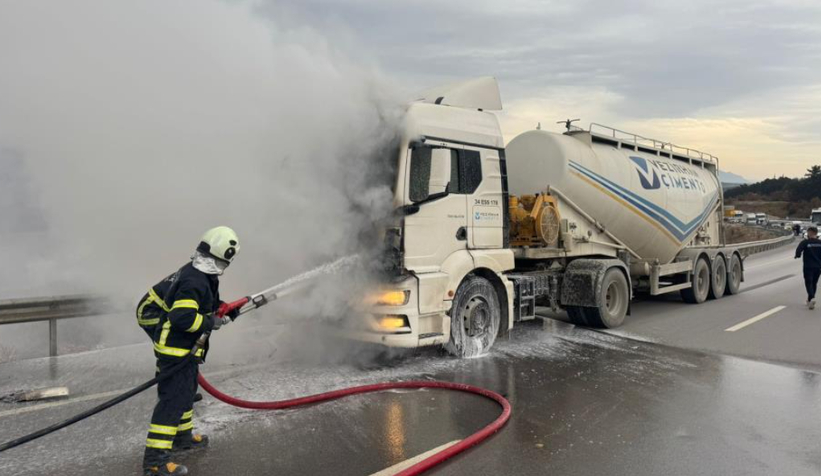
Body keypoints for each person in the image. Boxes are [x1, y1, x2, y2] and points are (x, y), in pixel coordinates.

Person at [142, 226, 241, 476]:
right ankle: (155, 462)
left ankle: (182, 438)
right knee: (173, 402)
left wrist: (224, 309)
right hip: (176, 352)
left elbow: (203, 303)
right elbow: (182, 318)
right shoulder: (194, 279)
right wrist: (211, 322)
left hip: (183, 351)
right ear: (224, 255)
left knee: (186, 394)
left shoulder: (202, 274)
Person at [795, 226, 821, 310]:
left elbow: (798, 250)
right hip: (818, 267)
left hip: (808, 266)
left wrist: (797, 256)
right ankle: (810, 300)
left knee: (808, 282)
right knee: (814, 283)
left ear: (809, 233)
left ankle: (812, 297)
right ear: (816, 233)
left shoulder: (805, 242)